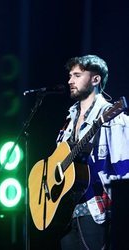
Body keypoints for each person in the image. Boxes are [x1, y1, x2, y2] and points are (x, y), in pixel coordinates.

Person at [54, 55, 129, 249]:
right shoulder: (69, 120)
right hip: (67, 213)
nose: (70, 81)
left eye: (77, 75)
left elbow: (125, 170)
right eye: (70, 75)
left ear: (95, 79)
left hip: (98, 213)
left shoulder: (113, 118)